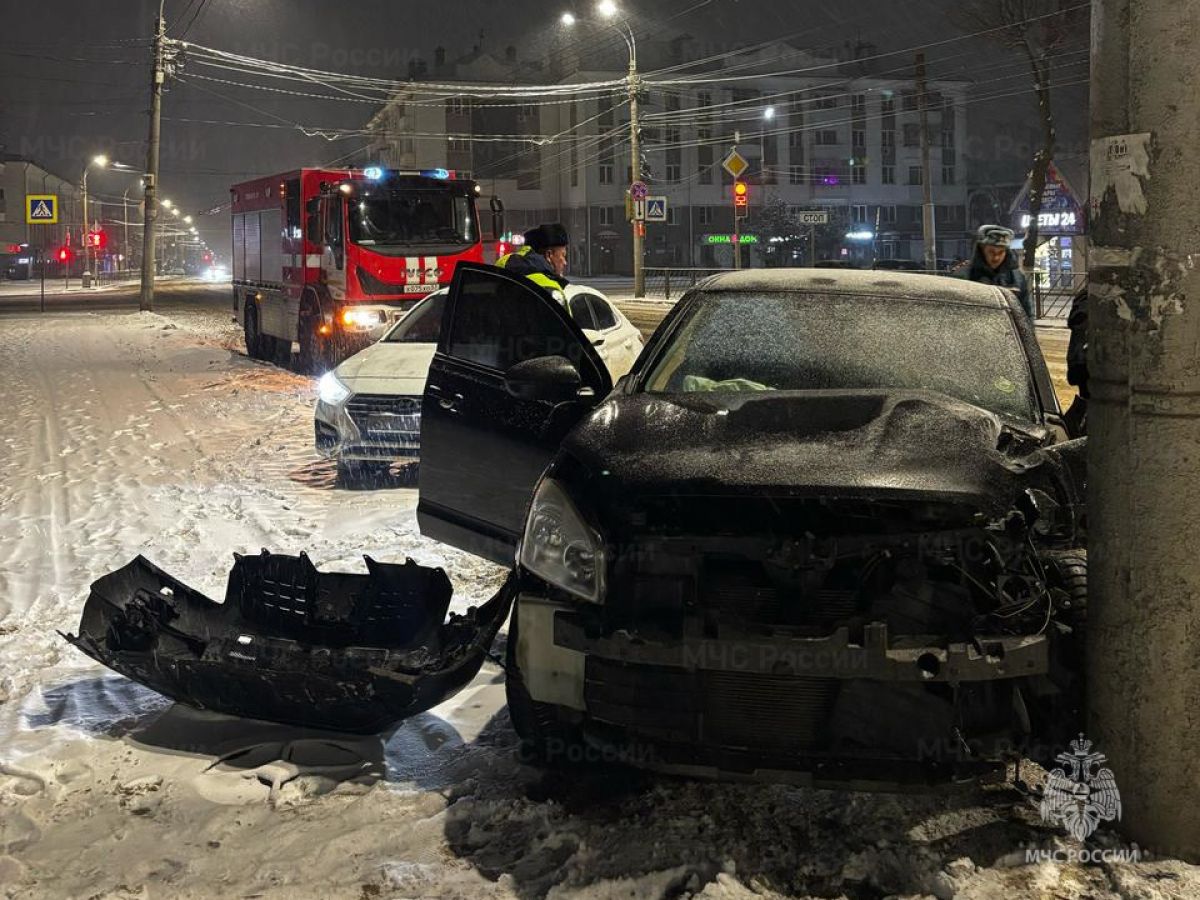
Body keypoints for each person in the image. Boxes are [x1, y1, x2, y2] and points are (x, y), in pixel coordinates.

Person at [962, 224, 1033, 318]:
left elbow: (1026, 314)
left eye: (1001, 252)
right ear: (981, 250)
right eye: (991, 252)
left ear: (1006, 252)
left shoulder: (1017, 278)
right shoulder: (965, 276)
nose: (996, 257)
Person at [497, 223, 570, 294]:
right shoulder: (551, 289)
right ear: (549, 255)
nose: (565, 262)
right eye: (563, 255)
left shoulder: (504, 264)